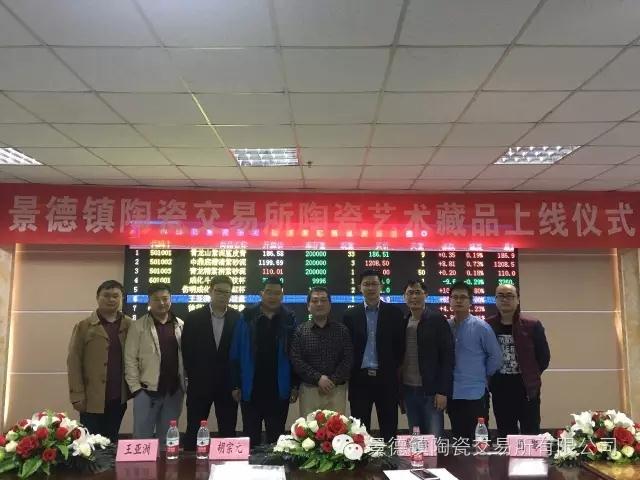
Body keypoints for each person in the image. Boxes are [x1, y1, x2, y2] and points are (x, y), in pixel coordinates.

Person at [230, 276, 298, 446]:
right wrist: (235, 384)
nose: (272, 296)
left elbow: (295, 355)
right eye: (269, 292)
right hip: (251, 388)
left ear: (282, 295)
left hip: (278, 389)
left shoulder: (289, 319)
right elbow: (235, 353)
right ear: (261, 294)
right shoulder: (246, 316)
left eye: (277, 293)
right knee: (250, 438)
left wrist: (294, 386)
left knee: (276, 440)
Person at [343, 269, 405, 442]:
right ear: (359, 288)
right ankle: (361, 458)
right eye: (366, 284)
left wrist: (392, 366)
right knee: (359, 430)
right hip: (359, 379)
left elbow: (400, 346)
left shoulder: (394, 313)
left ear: (381, 287)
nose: (371, 288)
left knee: (389, 427)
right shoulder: (350, 315)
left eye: (374, 284)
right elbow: (347, 347)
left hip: (386, 378)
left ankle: (390, 458)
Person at [67, 280, 131, 442]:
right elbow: (73, 361)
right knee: (90, 443)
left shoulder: (130, 325)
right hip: (91, 398)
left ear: (122, 298)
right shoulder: (84, 326)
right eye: (106, 295)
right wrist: (77, 395)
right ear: (97, 297)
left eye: (116, 296)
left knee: (111, 441)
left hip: (118, 396)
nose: (111, 299)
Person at [182, 275, 240, 449]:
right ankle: (191, 463)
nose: (223, 295)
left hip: (228, 385)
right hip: (199, 384)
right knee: (194, 430)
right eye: (219, 291)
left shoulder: (238, 318)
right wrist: (192, 377)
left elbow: (239, 353)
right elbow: (187, 351)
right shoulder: (193, 318)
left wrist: (237, 383)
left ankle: (227, 464)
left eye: (227, 292)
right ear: (210, 291)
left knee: (228, 430)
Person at [487, 283, 550, 438]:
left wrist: (531, 374)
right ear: (495, 300)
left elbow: (544, 357)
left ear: (518, 300)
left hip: (526, 387)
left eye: (510, 295)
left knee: (530, 433)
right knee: (506, 433)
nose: (505, 299)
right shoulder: (488, 325)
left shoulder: (532, 325)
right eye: (501, 296)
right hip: (500, 386)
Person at [124, 283, 185, 444]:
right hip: (146, 391)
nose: (161, 303)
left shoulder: (180, 324)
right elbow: (130, 359)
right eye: (156, 299)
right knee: (142, 439)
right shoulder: (138, 326)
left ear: (171, 300)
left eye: (165, 298)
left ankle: (166, 462)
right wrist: (136, 389)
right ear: (149, 301)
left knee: (168, 440)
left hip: (173, 391)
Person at [446, 281, 502, 442]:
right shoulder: (445, 326)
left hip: (476, 393)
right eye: (455, 297)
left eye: (463, 297)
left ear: (470, 301)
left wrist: (483, 375)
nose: (458, 300)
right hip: (453, 394)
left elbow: (496, 357)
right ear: (450, 301)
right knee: (460, 441)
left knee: (479, 441)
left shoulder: (481, 327)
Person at [401, 279, 454, 438]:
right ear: (404, 297)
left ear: (426, 295)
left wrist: (443, 391)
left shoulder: (437, 320)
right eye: (410, 293)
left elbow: (447, 358)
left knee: (434, 438)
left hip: (431, 391)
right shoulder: (403, 321)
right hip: (409, 389)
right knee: (416, 438)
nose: (414, 297)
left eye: (418, 292)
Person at [290, 287, 353, 415]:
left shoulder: (342, 330)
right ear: (308, 306)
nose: (319, 304)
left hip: (336, 389)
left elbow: (348, 358)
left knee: (337, 427)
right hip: (309, 390)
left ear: (330, 305)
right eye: (315, 301)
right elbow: (296, 359)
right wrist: (318, 378)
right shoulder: (300, 331)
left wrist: (332, 380)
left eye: (323, 300)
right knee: (308, 427)